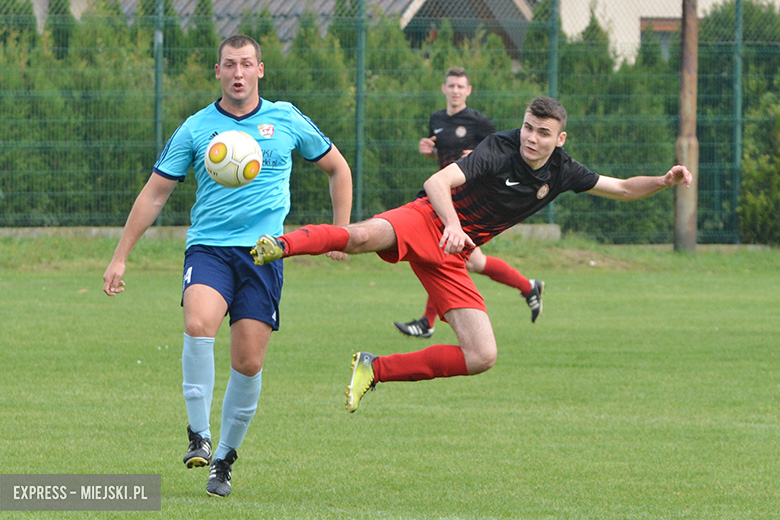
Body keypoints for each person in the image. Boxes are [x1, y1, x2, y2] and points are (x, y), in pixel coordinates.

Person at [250, 96, 692, 414]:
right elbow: (436, 184)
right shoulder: (499, 148)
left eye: (542, 133)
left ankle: (374, 369)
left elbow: (620, 188)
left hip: (452, 256)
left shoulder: (563, 171)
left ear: (560, 139)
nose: (531, 139)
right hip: (428, 221)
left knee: (481, 355)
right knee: (362, 236)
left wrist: (663, 181)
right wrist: (456, 226)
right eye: (528, 127)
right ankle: (281, 246)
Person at [102, 35, 352, 495]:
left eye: (246, 64)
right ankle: (198, 435)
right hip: (210, 250)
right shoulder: (197, 128)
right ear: (216, 72)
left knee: (248, 362)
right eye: (229, 65)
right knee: (198, 323)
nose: (238, 73)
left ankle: (224, 458)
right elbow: (156, 192)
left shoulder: (287, 118)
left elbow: (339, 168)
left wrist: (340, 232)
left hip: (264, 254)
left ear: (261, 70)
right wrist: (120, 256)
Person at [395, 67, 543, 339]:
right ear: (444, 88)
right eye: (451, 86)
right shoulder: (437, 118)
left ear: (468, 91)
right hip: (444, 195)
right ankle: (528, 287)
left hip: (469, 199)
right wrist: (430, 151)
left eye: (460, 86)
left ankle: (427, 322)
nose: (455, 91)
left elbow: (503, 155)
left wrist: (477, 154)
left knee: (441, 253)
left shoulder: (479, 122)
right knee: (472, 261)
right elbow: (443, 156)